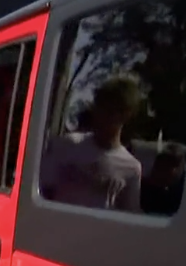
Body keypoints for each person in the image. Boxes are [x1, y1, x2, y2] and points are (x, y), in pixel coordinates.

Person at [40, 77, 142, 212]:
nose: (101, 116)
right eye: (99, 107)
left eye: (110, 111)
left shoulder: (131, 168)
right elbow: (42, 191)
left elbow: (130, 214)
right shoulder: (68, 145)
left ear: (125, 115)